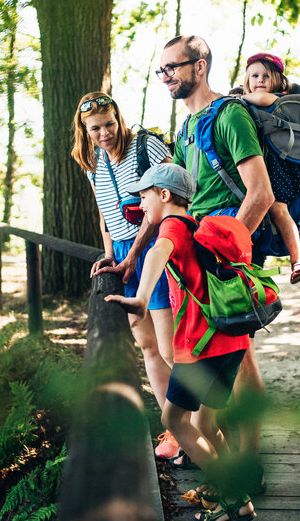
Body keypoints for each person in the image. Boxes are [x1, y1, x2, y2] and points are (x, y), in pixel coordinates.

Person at [105, 163, 256, 521]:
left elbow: (156, 254)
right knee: (206, 425)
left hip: (200, 346)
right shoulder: (194, 225)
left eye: (143, 197)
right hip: (229, 342)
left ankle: (235, 493)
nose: (141, 205)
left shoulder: (171, 226)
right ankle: (231, 495)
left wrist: (141, 300)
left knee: (173, 418)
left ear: (164, 195)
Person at [158, 36, 274, 493]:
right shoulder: (187, 128)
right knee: (225, 360)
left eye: (173, 67)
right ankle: (225, 463)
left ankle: (249, 468)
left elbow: (260, 194)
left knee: (242, 360)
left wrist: (223, 259)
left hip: (225, 262)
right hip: (200, 261)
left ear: (200, 66)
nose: (166, 76)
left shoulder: (231, 115)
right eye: (161, 70)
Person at [70, 92, 180, 459]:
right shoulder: (92, 163)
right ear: (85, 131)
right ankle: (174, 430)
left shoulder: (146, 145)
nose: (105, 134)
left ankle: (201, 427)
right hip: (122, 255)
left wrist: (133, 254)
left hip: (155, 252)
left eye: (110, 124)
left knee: (170, 348)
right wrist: (108, 254)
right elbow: (105, 214)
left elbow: (167, 202)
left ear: (119, 118)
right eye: (95, 128)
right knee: (148, 346)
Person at [239, 52, 300, 284]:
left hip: (278, 169)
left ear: (277, 80)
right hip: (260, 166)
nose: (260, 80)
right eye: (255, 76)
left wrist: (239, 98)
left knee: (279, 210)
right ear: (247, 80)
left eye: (266, 76)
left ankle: (298, 260)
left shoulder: (276, 98)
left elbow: (260, 100)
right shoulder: (242, 101)